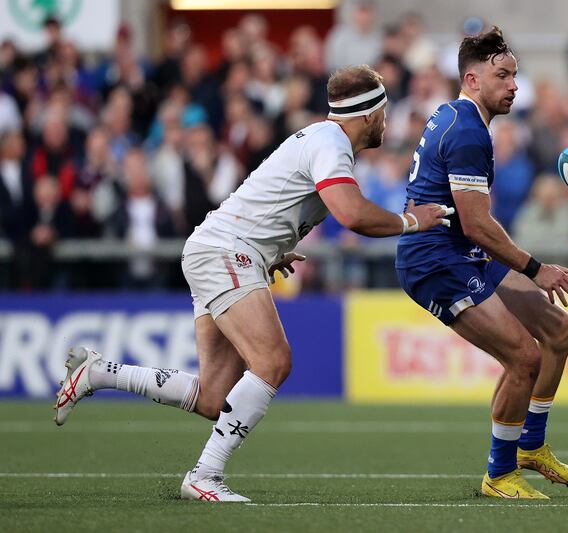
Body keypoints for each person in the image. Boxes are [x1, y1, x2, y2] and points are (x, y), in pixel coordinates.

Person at [53, 65, 453, 502]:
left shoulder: (322, 140)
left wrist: (272, 250)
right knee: (274, 360)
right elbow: (352, 214)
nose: (387, 119)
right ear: (369, 114)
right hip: (226, 252)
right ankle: (204, 475)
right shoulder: (331, 143)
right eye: (384, 110)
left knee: (213, 397)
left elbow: (267, 197)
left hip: (221, 249)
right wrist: (413, 220)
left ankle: (99, 372)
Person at [395, 27, 568, 500]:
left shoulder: (459, 117)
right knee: (524, 357)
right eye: (503, 75)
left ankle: (529, 447)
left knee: (559, 331)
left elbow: (474, 223)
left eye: (515, 75)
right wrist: (536, 268)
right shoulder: (467, 131)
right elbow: (477, 223)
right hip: (435, 260)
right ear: (473, 79)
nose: (514, 85)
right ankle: (499, 474)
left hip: (461, 250)